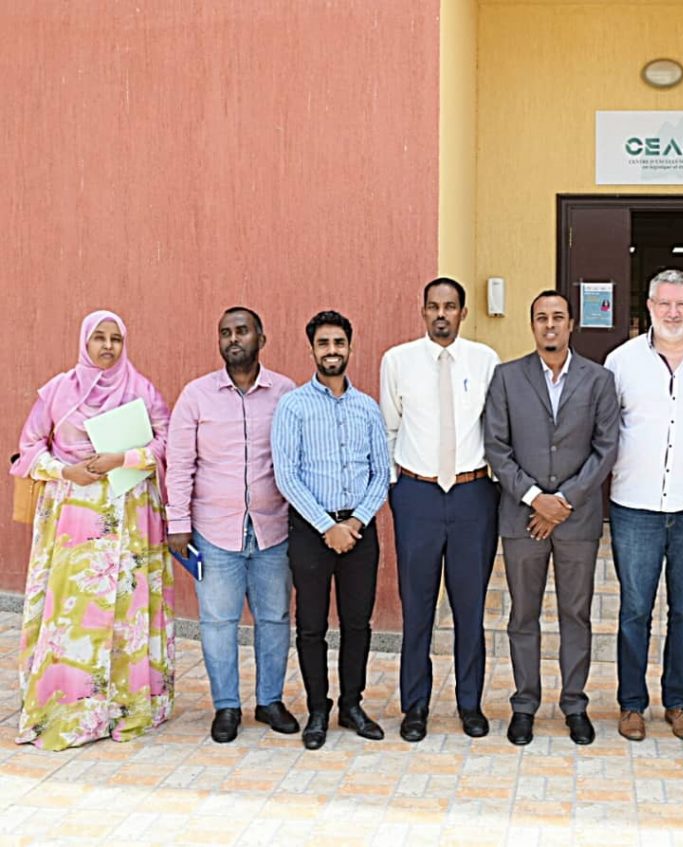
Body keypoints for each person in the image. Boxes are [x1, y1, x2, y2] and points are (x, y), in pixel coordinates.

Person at [10, 310, 174, 751]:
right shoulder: (57, 391)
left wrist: (124, 459)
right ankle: (69, 708)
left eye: (115, 338)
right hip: (73, 520)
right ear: (84, 341)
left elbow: (166, 442)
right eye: (99, 338)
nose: (107, 346)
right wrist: (66, 470)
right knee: (73, 613)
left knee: (125, 610)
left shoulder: (141, 390)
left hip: (130, 518)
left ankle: (123, 708)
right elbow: (28, 448)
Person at [604, 269, 683, 743]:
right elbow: (607, 428)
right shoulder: (620, 362)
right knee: (634, 610)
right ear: (650, 306)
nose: (673, 313)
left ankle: (678, 702)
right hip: (634, 505)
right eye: (664, 303)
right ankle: (631, 704)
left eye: (682, 304)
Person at [484, 290, 618, 746]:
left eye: (558, 317)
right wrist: (535, 498)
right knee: (523, 614)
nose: (550, 325)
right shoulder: (506, 377)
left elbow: (606, 448)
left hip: (577, 520)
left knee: (575, 614)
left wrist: (563, 501)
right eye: (541, 317)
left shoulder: (598, 380)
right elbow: (496, 447)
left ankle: (574, 704)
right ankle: (524, 704)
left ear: (571, 323)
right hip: (522, 517)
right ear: (532, 325)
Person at [166, 307, 298, 743]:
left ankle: (269, 701)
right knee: (218, 621)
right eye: (225, 333)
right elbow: (180, 464)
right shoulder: (196, 396)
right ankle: (226, 706)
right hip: (214, 531)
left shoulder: (285, 393)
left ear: (262, 337)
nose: (233, 339)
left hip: (273, 529)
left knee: (275, 618)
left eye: (242, 331)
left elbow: (297, 457)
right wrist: (177, 522)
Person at [379, 278, 500, 742]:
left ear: (463, 313)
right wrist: (398, 490)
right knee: (417, 609)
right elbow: (390, 429)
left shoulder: (485, 360)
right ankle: (415, 707)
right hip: (418, 496)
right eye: (433, 307)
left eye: (450, 307)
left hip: (472, 494)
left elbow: (495, 427)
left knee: (470, 609)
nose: (441, 314)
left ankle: (470, 704)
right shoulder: (398, 361)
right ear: (423, 311)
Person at [271, 310, 389, 750]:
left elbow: (382, 473)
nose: (332, 350)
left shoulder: (367, 408)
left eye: (339, 342)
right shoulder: (293, 406)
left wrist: (354, 523)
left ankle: (351, 705)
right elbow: (286, 475)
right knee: (311, 625)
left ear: (350, 348)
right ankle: (318, 709)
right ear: (312, 350)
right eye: (324, 343)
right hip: (311, 531)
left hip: (359, 529)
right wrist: (327, 526)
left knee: (357, 623)